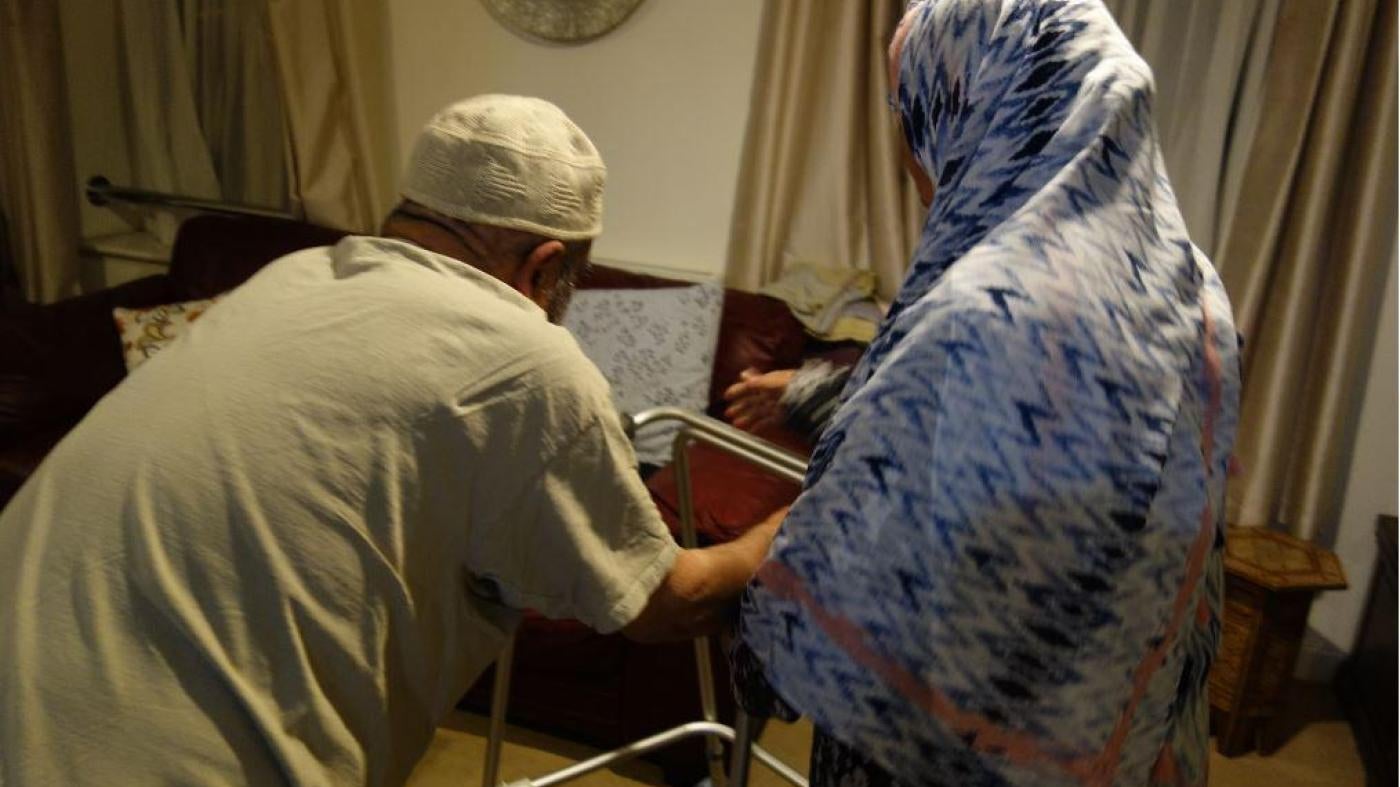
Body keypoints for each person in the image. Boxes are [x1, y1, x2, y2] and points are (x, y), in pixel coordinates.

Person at [0, 95, 782, 786]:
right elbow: (665, 604)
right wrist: (789, 526)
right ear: (547, 268)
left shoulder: (290, 276)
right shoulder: (527, 358)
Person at [729, 1, 1242, 785]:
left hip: (945, 751)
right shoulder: (1194, 291)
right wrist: (808, 393)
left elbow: (865, 557)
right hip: (1115, 737)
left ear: (978, 105)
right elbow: (1024, 445)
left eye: (915, 112)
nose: (911, 157)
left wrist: (734, 594)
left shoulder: (991, 299)